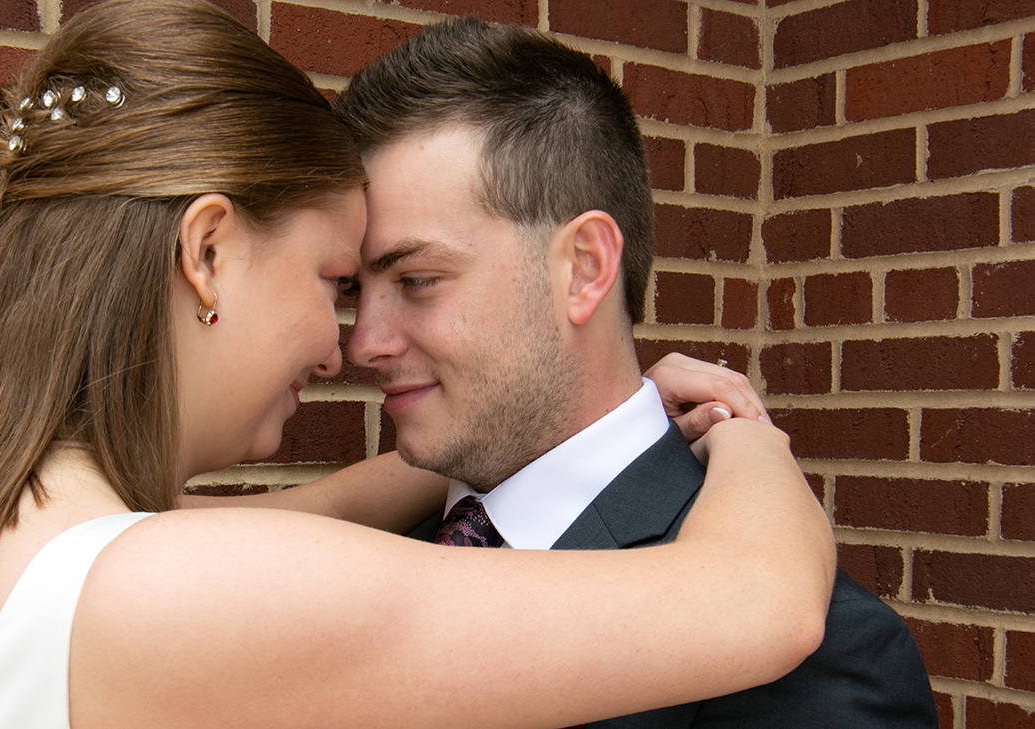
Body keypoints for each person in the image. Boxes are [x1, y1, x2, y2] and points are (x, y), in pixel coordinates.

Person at [0, 2, 836, 728]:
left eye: (408, 283)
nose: (344, 343)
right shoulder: (170, 592)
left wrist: (523, 420)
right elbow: (764, 601)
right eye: (333, 279)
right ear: (207, 253)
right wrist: (743, 436)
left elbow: (324, 510)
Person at [335, 16, 937, 729]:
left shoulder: (823, 656)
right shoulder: (363, 566)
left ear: (585, 268)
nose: (362, 343)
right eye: (351, 293)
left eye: (417, 278)